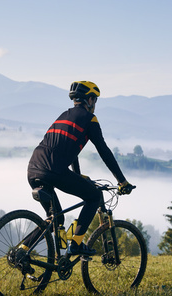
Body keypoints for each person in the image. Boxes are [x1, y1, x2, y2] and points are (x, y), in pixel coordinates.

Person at [26, 80, 134, 255]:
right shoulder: (89, 119)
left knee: (55, 219)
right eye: (95, 100)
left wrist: (78, 175)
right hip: (54, 170)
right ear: (90, 100)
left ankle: (22, 250)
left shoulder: (63, 115)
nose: (95, 104)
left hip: (33, 168)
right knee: (94, 196)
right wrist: (122, 181)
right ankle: (75, 244)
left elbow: (68, 148)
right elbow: (104, 151)